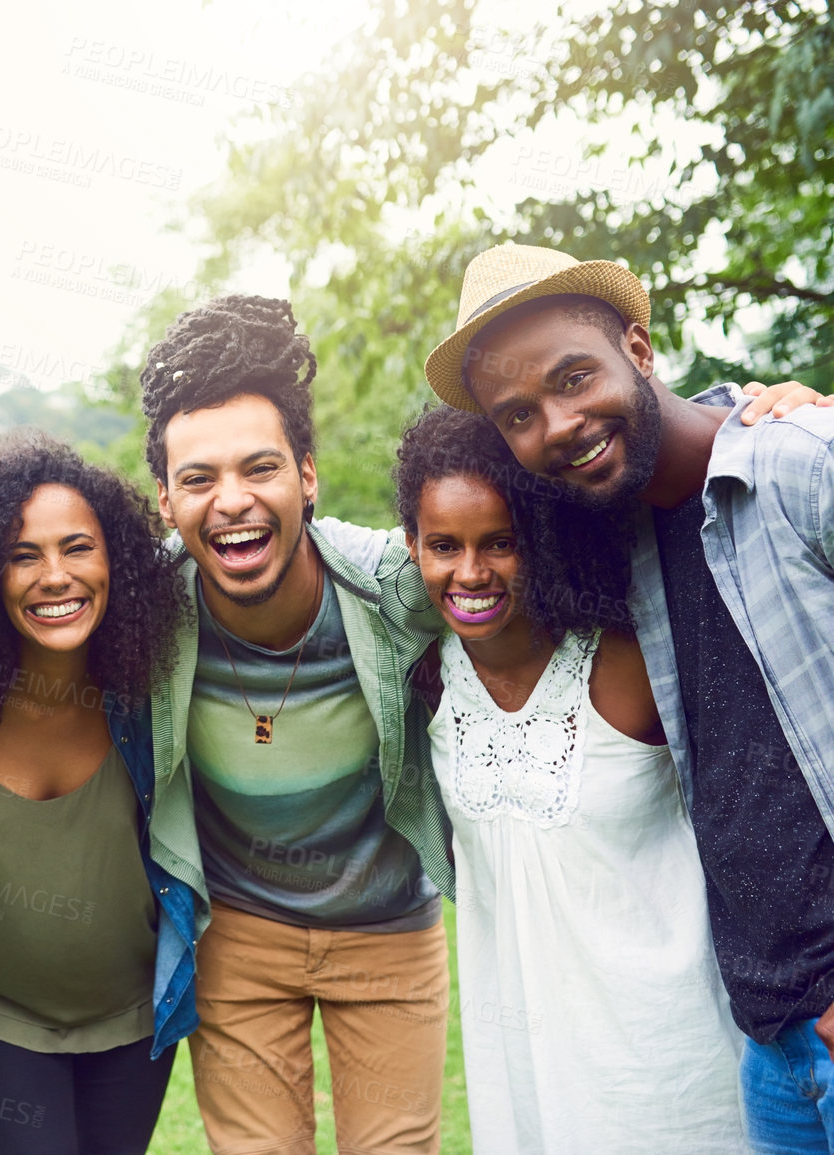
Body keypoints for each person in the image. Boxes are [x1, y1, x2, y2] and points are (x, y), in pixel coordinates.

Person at [429, 243, 834, 1154]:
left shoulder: (800, 468)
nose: (561, 423)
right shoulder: (619, 540)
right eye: (519, 414)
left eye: (575, 376)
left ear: (639, 348)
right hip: (772, 1051)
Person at [138, 295, 454, 1153]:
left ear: (305, 475)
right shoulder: (141, 607)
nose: (231, 501)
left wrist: (743, 418)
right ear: (164, 500)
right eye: (198, 479)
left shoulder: (395, 584)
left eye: (260, 468)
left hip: (388, 932)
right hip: (238, 935)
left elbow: (545, 538)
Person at [394, 402, 744, 1153]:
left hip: (672, 1069)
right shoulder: (427, 677)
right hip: (524, 1081)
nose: (470, 572)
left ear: (539, 538)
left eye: (500, 543)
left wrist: (766, 408)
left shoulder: (625, 660)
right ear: (410, 546)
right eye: (443, 545)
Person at [0, 433, 194, 1155]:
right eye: (21, 555)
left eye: (77, 548)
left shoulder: (147, 695)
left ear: (116, 561)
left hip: (134, 1010)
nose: (55, 576)